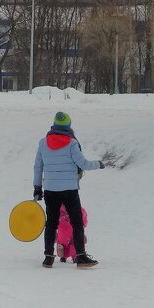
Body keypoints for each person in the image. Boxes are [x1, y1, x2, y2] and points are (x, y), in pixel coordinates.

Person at [33, 111, 104, 268]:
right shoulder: (72, 143)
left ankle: (48, 258)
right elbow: (83, 164)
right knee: (77, 222)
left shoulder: (43, 143)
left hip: (50, 189)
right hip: (69, 190)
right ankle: (80, 256)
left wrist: (37, 187)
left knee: (51, 222)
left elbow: (38, 167)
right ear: (68, 126)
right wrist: (98, 164)